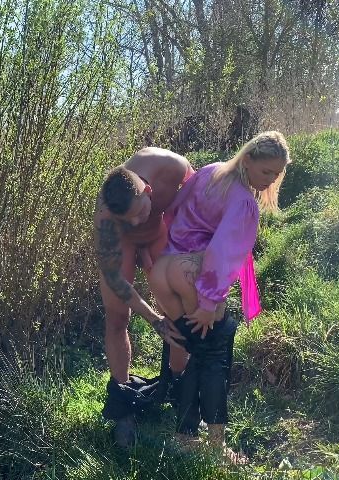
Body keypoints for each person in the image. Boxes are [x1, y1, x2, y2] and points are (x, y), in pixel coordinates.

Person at [147, 131, 291, 463]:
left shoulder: (211, 171)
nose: (270, 179)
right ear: (248, 159)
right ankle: (215, 446)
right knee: (213, 356)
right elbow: (222, 252)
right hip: (193, 275)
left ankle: (183, 435)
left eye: (277, 174)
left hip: (165, 268)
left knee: (186, 345)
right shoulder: (242, 200)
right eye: (266, 171)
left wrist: (169, 255)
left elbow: (174, 211)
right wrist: (210, 300)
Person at [93, 147, 193, 446]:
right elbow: (115, 278)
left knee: (178, 313)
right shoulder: (107, 217)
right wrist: (152, 318)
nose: (135, 221)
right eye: (129, 218)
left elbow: (198, 202)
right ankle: (123, 403)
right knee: (117, 317)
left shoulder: (172, 168)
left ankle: (179, 389)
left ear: (149, 190)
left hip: (159, 232)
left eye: (139, 212)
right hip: (121, 244)